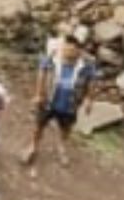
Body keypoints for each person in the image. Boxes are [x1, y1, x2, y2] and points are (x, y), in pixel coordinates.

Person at [24, 36, 97, 165]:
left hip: (70, 104)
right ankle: (33, 146)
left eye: (72, 50)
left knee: (66, 128)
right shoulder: (52, 59)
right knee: (39, 126)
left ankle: (61, 147)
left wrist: (89, 99)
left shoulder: (86, 65)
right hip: (49, 102)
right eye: (66, 48)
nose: (68, 52)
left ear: (79, 51)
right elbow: (42, 73)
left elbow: (91, 81)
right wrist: (39, 94)